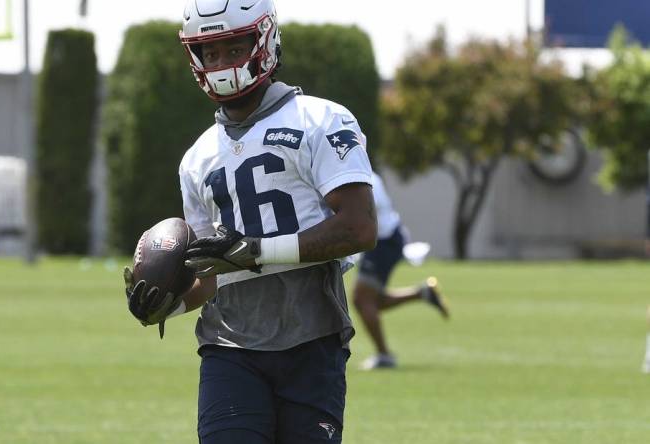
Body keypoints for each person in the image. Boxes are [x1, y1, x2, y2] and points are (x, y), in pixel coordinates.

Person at [124, 0, 376, 442]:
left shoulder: (321, 118)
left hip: (311, 338)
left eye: (232, 47)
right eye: (211, 52)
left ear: (264, 42)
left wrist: (257, 251)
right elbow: (211, 274)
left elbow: (359, 227)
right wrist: (170, 303)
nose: (220, 63)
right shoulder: (197, 158)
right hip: (229, 347)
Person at [353, 171, 449, 370]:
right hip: (382, 239)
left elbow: (369, 207)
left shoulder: (362, 174)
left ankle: (384, 355)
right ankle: (422, 293)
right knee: (370, 300)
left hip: (384, 241)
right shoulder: (360, 172)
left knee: (362, 299)